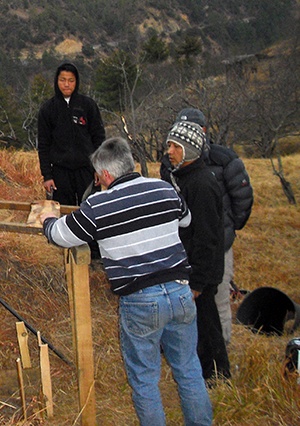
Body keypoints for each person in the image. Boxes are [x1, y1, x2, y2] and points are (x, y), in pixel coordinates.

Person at [40, 137, 213, 426]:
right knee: (188, 369)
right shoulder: (163, 188)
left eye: (98, 177)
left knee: (145, 380)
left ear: (105, 175)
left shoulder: (99, 204)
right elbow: (185, 219)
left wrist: (47, 219)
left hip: (141, 299)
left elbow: (60, 235)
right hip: (181, 292)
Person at [161, 108, 253, 346]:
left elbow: (242, 198)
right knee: (199, 309)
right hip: (191, 250)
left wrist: (229, 229)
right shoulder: (174, 167)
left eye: (176, 145)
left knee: (217, 302)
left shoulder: (222, 161)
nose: (169, 150)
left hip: (216, 246)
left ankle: (220, 357)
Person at [165, 120, 231, 383]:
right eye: (169, 145)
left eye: (175, 146)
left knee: (206, 324)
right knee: (198, 323)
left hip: (201, 271)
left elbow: (206, 237)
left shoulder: (201, 185)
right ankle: (206, 372)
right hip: (192, 267)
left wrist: (198, 281)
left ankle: (217, 376)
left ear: (190, 150)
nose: (169, 151)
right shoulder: (185, 178)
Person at [37, 61, 105, 206]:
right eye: (62, 80)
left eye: (71, 80)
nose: (66, 84)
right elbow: (43, 145)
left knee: (90, 211)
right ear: (57, 81)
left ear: (76, 82)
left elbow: (99, 139)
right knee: (63, 215)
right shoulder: (48, 109)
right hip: (60, 173)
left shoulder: (88, 106)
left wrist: (99, 168)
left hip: (87, 171)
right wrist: (47, 176)